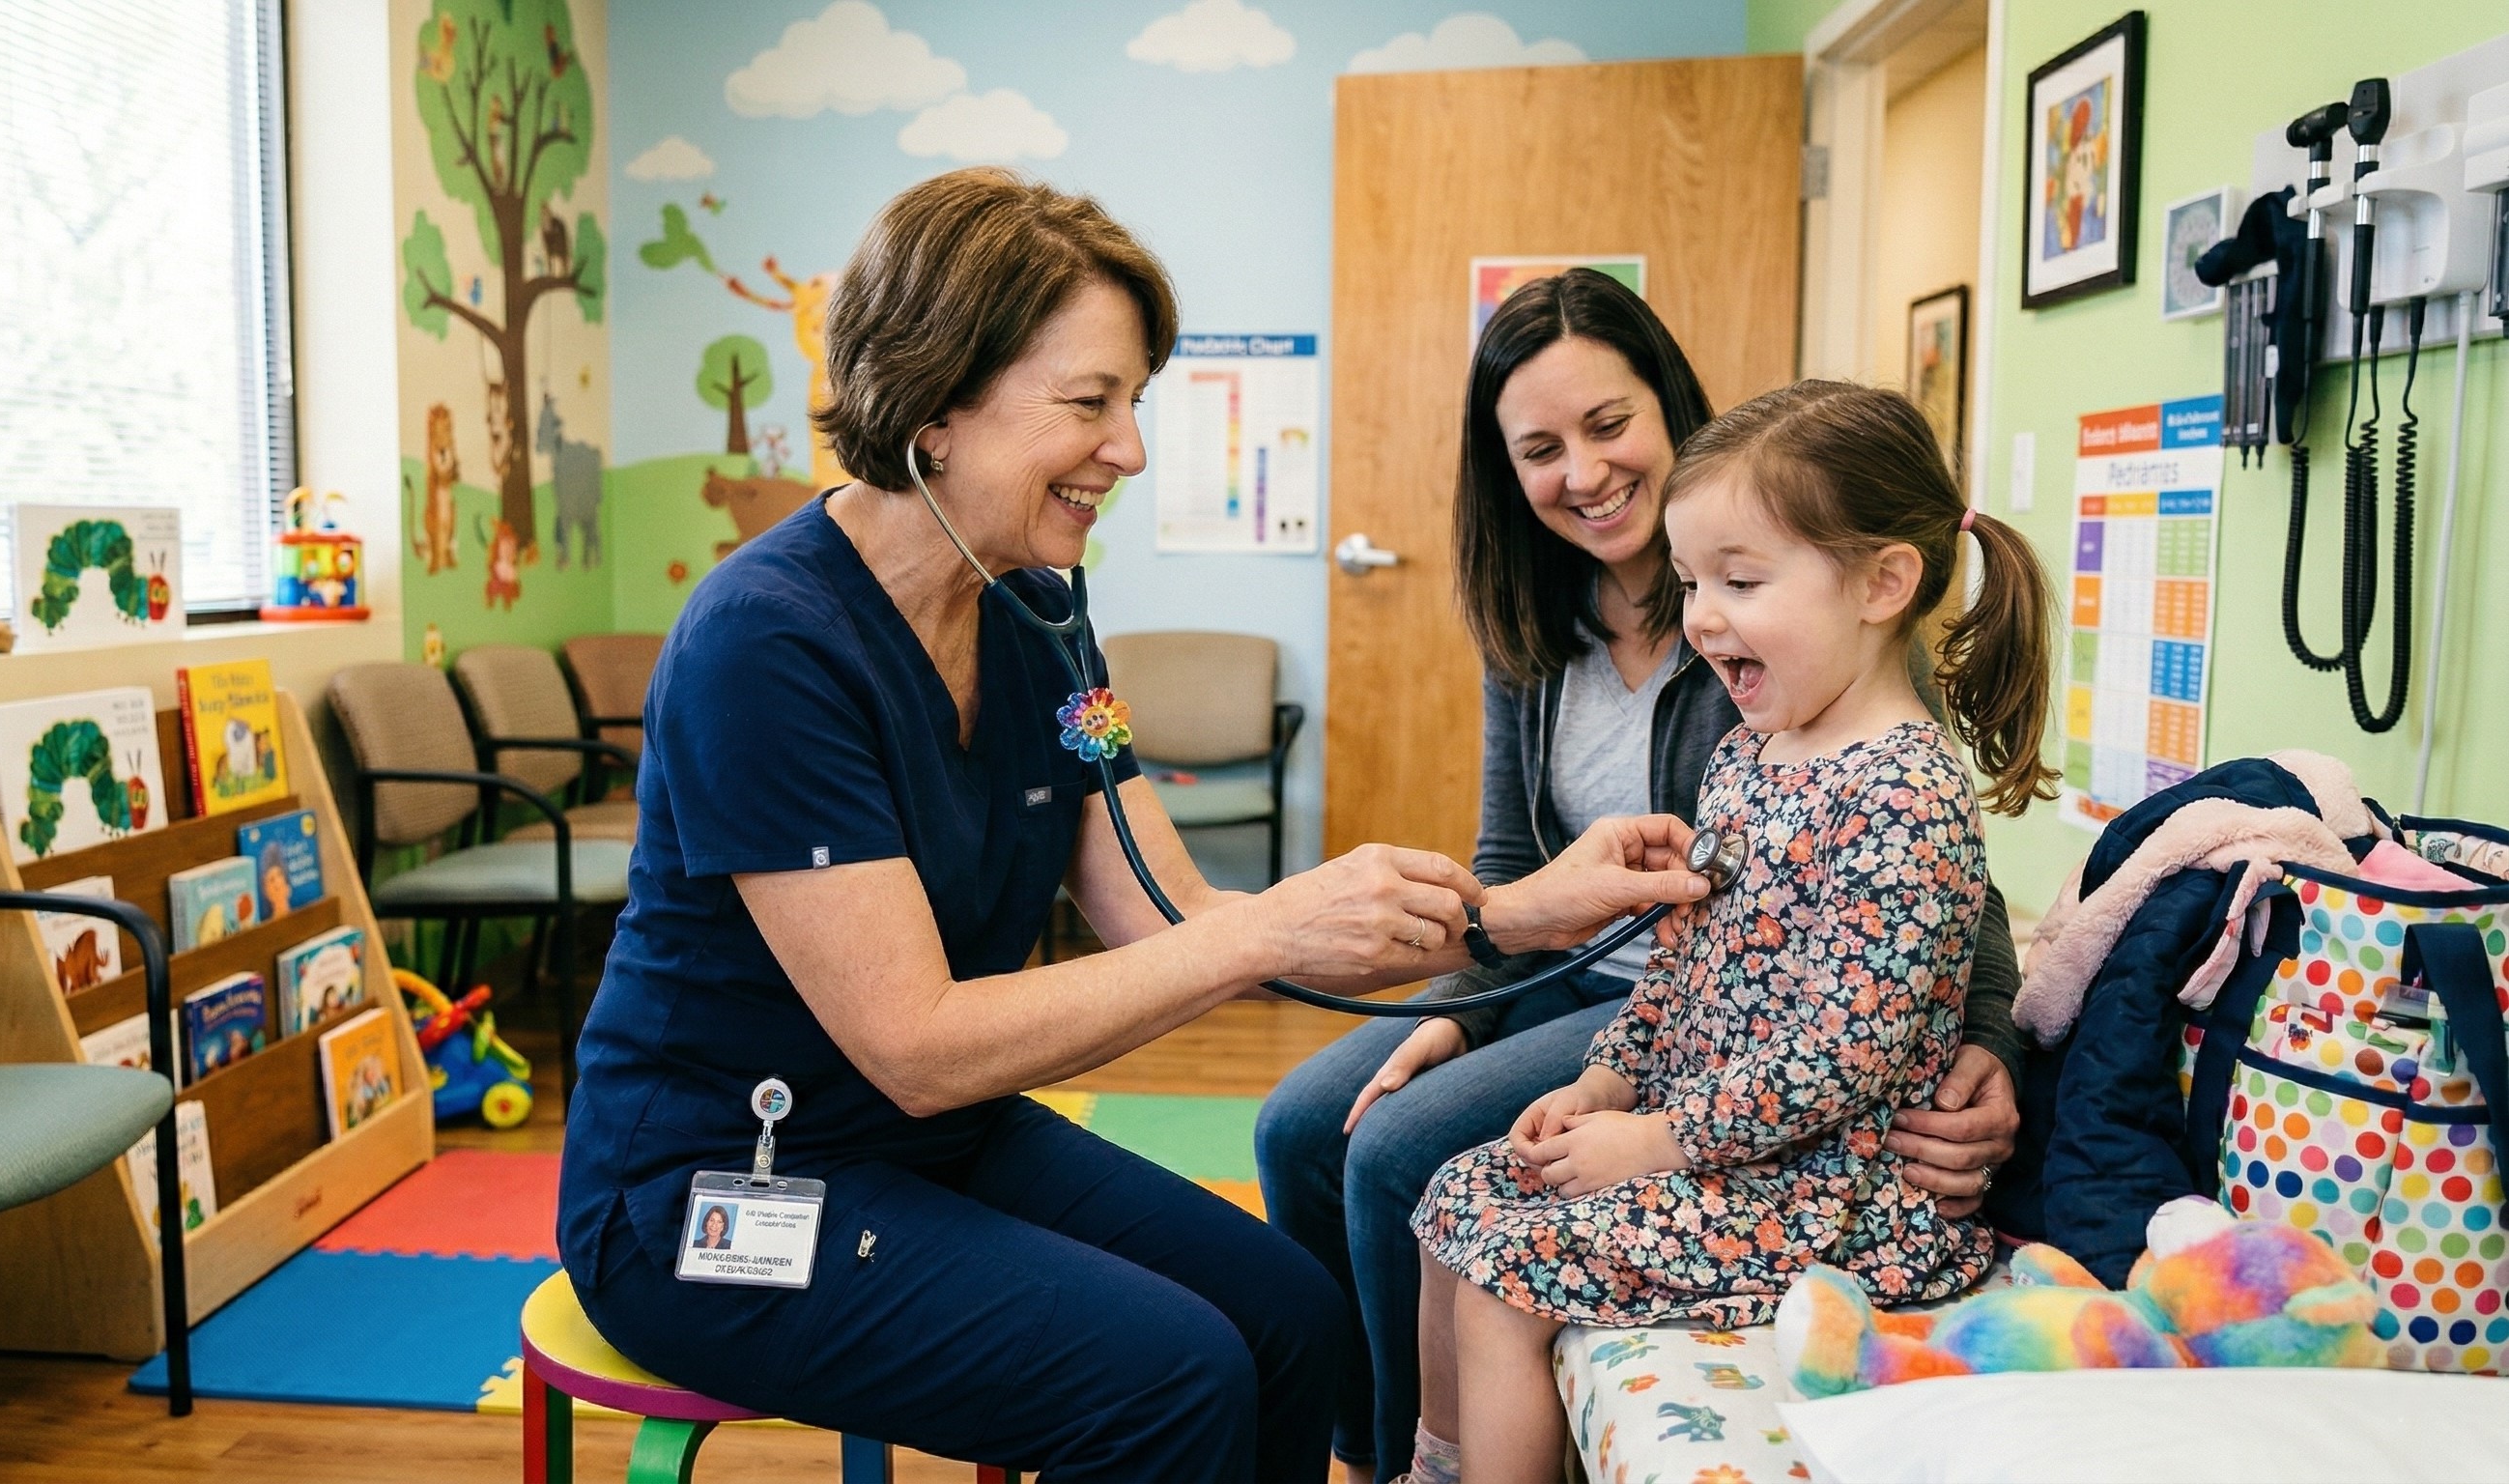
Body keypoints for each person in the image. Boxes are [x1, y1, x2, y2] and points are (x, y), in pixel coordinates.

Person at [556, 169, 1714, 1484]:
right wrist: (1263, 930)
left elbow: (1171, 914)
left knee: (1290, 1320)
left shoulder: (1042, 614)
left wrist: (1507, 913)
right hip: (720, 1189)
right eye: (1089, 403)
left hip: (932, 1145)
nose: (1130, 449)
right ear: (934, 403)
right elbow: (918, 1047)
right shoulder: (763, 648)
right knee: (1169, 1379)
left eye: (1135, 403)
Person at [1253, 271, 2027, 1484]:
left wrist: (1988, 1042)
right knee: (1309, 1122)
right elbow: (1530, 878)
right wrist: (1477, 1026)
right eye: (1540, 449)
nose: (1582, 471)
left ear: (1666, 411)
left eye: (1607, 425)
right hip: (1622, 1009)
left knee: (1400, 1159)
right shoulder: (1676, 686)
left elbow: (1914, 957)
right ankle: (1378, 1454)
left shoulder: (1835, 685)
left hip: (1785, 1129)